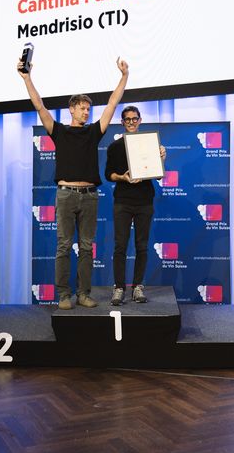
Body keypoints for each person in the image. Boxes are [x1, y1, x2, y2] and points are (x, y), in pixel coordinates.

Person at [18, 56, 129, 310]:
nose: (86, 112)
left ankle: (83, 294)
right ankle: (63, 295)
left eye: (88, 109)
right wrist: (27, 78)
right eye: (82, 108)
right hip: (66, 195)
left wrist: (124, 77)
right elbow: (39, 106)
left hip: (89, 196)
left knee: (87, 247)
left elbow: (113, 103)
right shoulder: (59, 130)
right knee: (64, 246)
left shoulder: (93, 131)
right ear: (71, 109)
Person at [105, 106, 166, 305]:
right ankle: (119, 288)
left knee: (142, 246)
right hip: (122, 201)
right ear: (122, 122)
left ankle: (138, 286)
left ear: (140, 120)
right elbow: (108, 174)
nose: (131, 122)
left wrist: (161, 159)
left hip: (144, 201)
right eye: (127, 119)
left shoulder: (150, 145)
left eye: (134, 119)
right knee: (120, 246)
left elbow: (158, 175)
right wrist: (122, 177)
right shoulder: (114, 147)